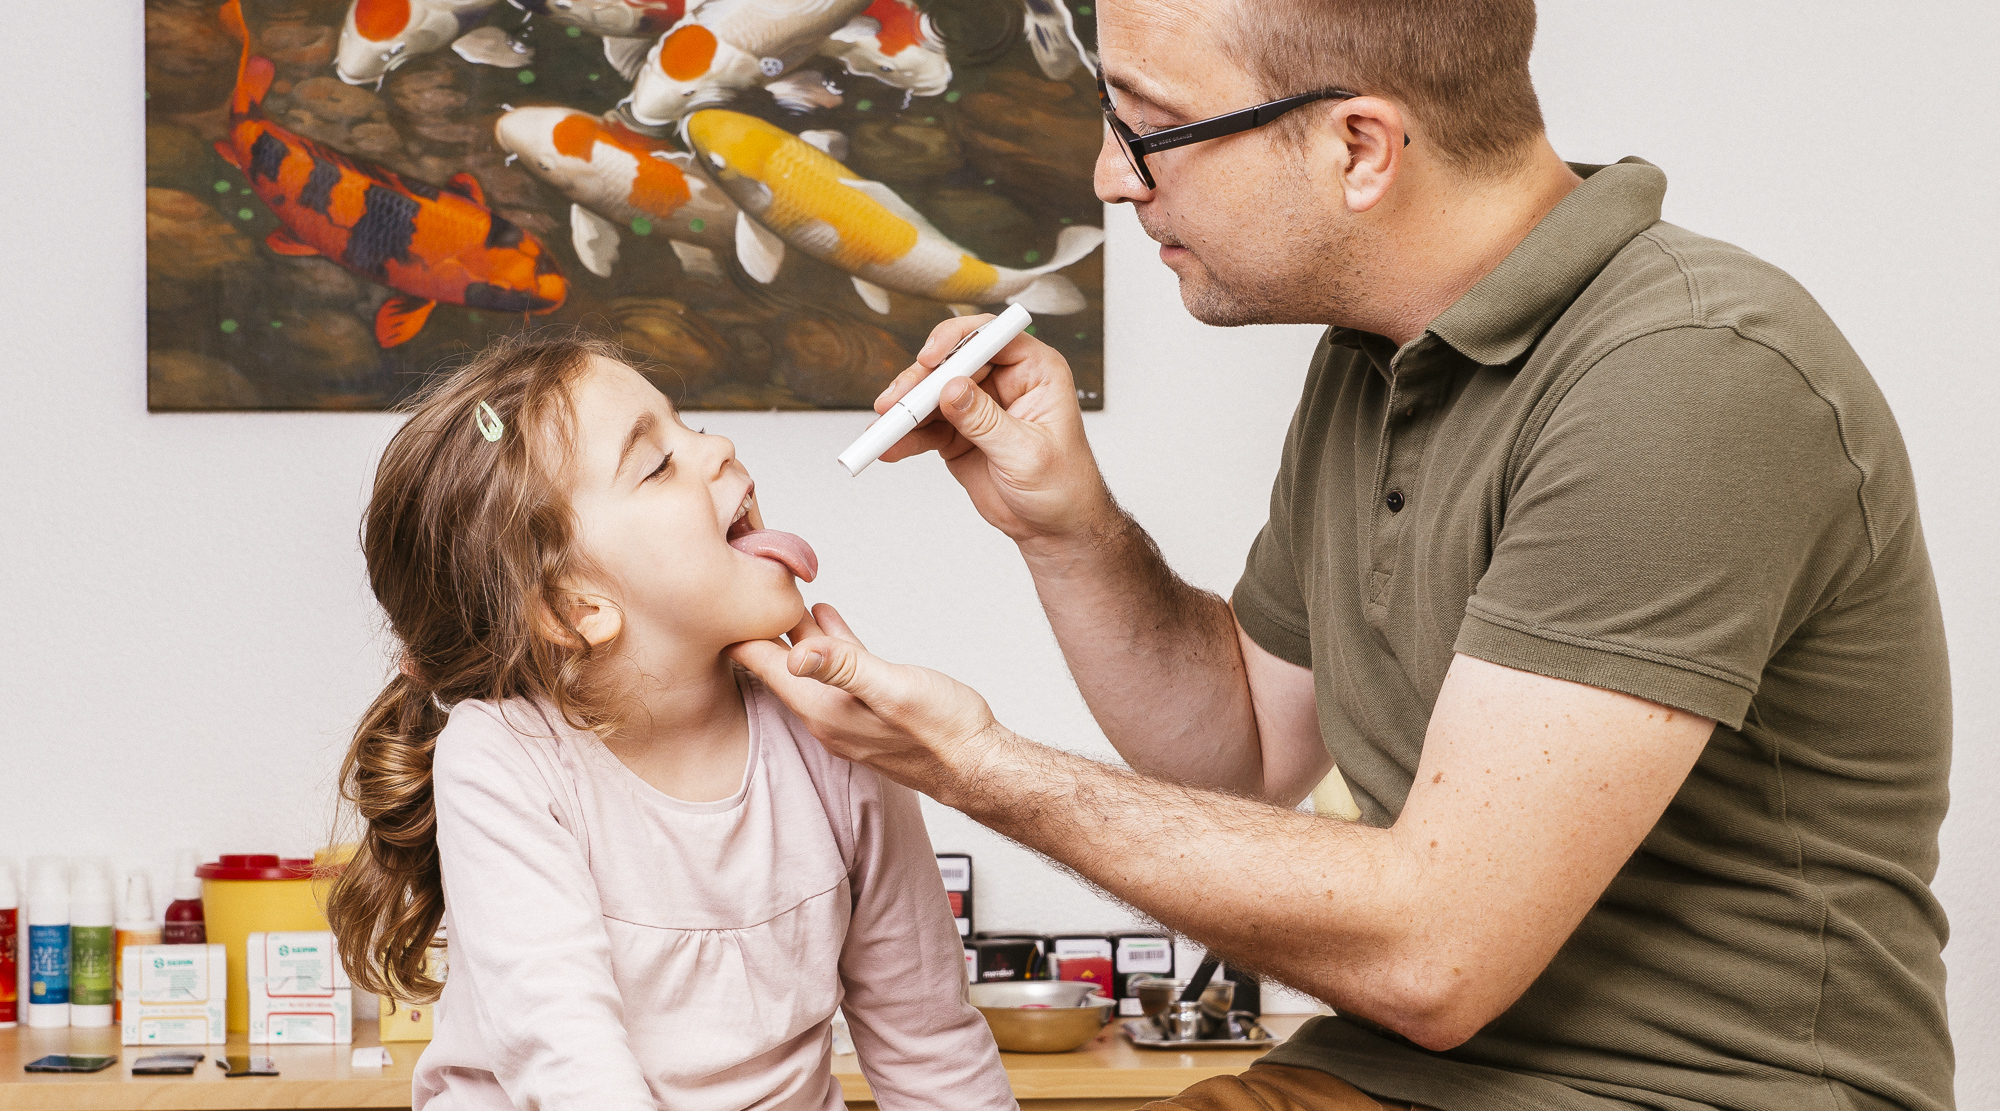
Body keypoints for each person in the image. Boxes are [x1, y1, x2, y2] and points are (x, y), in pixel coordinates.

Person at [729, 2, 1955, 1109]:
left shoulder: (1686, 375)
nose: (1109, 178)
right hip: (1385, 1074)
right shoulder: (1378, 356)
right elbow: (1243, 753)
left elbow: (1434, 955)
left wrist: (973, 764)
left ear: (1357, 148)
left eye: (1144, 126)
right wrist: (1069, 529)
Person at [324, 335, 1014, 1111]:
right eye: (655, 463)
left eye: (687, 423)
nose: (717, 446)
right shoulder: (502, 759)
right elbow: (573, 1071)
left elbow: (931, 1046)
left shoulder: (838, 735)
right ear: (574, 608)